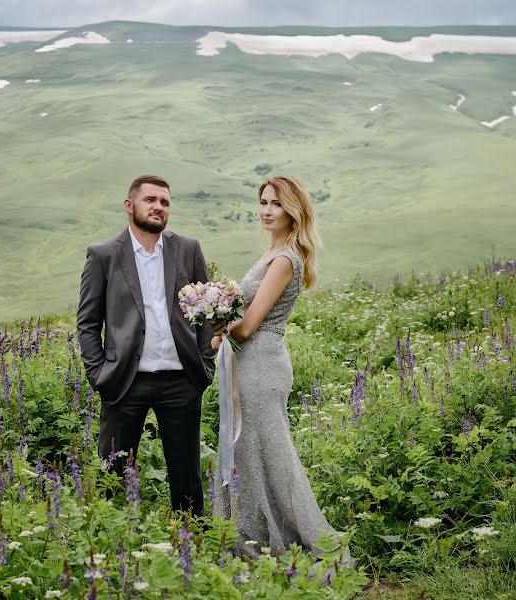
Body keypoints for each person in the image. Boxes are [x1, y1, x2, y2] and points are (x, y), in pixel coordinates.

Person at [213, 176, 348, 560]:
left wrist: (213, 320)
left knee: (270, 453)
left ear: (293, 211)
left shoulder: (285, 259)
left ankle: (302, 539)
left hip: (262, 365)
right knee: (248, 452)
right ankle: (252, 534)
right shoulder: (271, 255)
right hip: (249, 361)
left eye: (276, 204)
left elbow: (250, 324)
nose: (267, 210)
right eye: (263, 202)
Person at [76, 174, 215, 516]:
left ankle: (191, 545)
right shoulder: (103, 255)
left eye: (165, 202)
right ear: (130, 205)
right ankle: (112, 548)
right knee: (113, 476)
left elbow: (206, 312)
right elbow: (88, 323)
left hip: (181, 381)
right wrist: (98, 375)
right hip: (124, 382)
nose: (158, 207)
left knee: (187, 479)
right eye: (150, 199)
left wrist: (205, 365)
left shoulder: (188, 249)